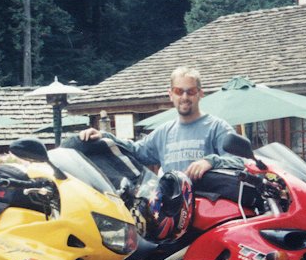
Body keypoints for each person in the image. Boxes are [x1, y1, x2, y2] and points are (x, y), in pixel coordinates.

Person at [79, 66, 242, 180]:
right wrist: (104, 136)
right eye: (179, 91)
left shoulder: (217, 127)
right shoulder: (164, 132)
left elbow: (240, 161)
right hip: (173, 214)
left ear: (200, 93)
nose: (184, 97)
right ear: (171, 94)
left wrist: (210, 161)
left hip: (209, 212)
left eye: (190, 91)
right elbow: (136, 151)